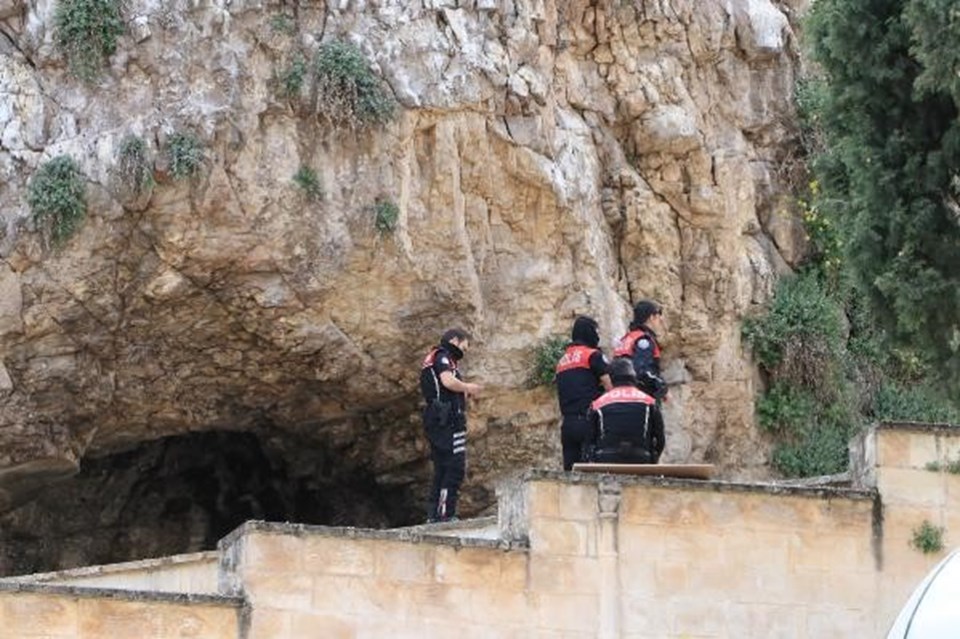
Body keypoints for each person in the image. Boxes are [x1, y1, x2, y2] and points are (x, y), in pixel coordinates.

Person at [420, 328, 482, 522]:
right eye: (464, 346)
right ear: (454, 340)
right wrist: (467, 387)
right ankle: (446, 514)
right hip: (447, 421)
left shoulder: (436, 358)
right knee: (454, 467)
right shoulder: (442, 356)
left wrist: (462, 393)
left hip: (438, 419)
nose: (465, 351)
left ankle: (434, 515)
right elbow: (447, 381)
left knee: (441, 467)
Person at [555, 316, 612, 470]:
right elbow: (610, 388)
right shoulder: (592, 355)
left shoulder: (562, 361)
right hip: (588, 422)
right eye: (596, 332)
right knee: (592, 473)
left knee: (570, 473)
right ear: (589, 333)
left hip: (568, 425)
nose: (597, 337)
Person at [588, 358, 665, 464]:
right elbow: (660, 440)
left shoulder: (598, 404)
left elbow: (589, 441)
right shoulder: (649, 402)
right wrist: (652, 459)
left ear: (611, 378)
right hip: (641, 459)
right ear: (634, 376)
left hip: (606, 459)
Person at [613, 299, 667, 400]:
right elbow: (641, 370)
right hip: (640, 396)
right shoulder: (643, 340)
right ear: (651, 317)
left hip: (620, 394)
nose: (661, 320)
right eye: (658, 317)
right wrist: (661, 386)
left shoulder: (627, 338)